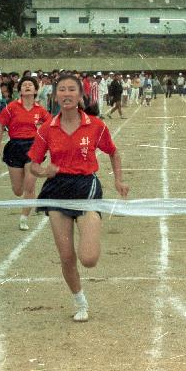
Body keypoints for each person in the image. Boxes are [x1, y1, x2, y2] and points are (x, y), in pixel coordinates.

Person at [28, 74, 129, 322]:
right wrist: (44, 171)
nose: (66, 93)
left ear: (80, 95)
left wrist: (118, 180)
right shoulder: (46, 128)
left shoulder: (95, 125)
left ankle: (91, 229)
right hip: (56, 190)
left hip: (86, 188)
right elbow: (33, 164)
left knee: (89, 258)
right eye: (61, 89)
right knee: (66, 256)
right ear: (55, 96)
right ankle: (79, 301)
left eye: (71, 89)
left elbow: (113, 153)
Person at [0, 76, 51, 231]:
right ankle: (22, 199)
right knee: (18, 190)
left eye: (30, 85)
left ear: (35, 90)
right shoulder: (12, 107)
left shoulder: (40, 110)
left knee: (30, 186)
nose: (27, 86)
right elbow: (0, 127)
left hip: (33, 147)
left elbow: (51, 128)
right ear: (19, 90)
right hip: (14, 146)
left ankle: (24, 218)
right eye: (24, 85)